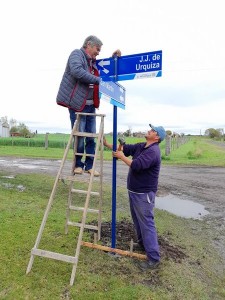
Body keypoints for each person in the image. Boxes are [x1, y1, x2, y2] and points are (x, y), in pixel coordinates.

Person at [103, 124, 166, 271]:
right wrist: (107, 144)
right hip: (134, 191)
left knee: (146, 223)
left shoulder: (153, 152)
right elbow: (125, 148)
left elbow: (136, 165)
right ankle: (143, 245)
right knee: (137, 220)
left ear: (156, 137)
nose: (149, 130)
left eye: (152, 130)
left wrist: (121, 157)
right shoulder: (142, 146)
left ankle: (154, 258)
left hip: (144, 194)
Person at [56, 35, 121, 177]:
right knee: (79, 136)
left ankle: (89, 166)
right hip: (78, 104)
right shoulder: (76, 54)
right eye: (97, 49)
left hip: (91, 105)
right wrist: (99, 81)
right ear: (89, 45)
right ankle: (78, 165)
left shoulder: (93, 62)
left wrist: (113, 58)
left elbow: (104, 69)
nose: (98, 52)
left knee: (91, 136)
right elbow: (77, 71)